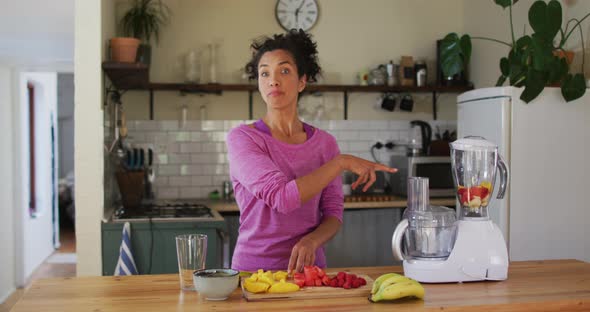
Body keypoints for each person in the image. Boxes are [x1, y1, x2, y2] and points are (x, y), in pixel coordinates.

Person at [226, 29, 397, 273]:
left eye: (284, 71)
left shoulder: (325, 144)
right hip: (255, 273)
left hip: (310, 274)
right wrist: (341, 162)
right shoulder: (243, 139)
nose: (273, 80)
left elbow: (333, 213)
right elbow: (281, 198)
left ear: (302, 81)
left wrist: (312, 241)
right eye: (265, 73)